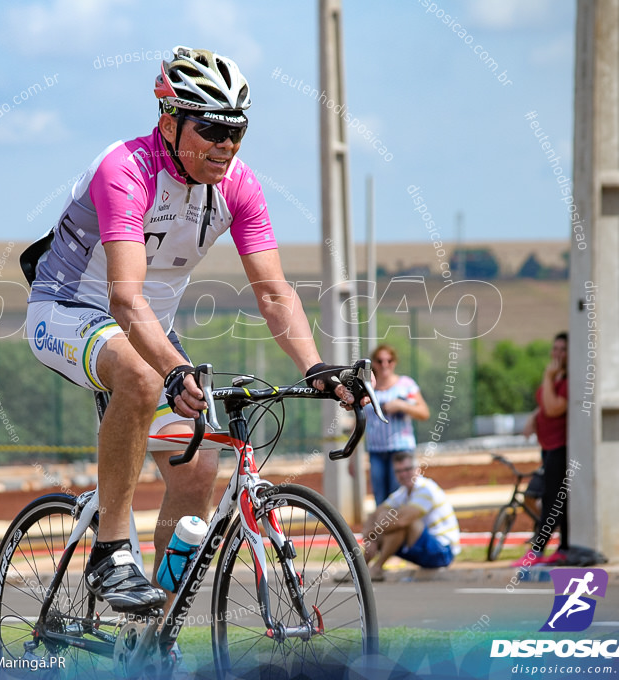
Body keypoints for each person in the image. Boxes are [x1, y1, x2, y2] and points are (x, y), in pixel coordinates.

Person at [21, 46, 365, 613]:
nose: (225, 145)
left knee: (200, 466)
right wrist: (172, 367)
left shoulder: (239, 186)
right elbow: (124, 298)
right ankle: (110, 553)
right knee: (136, 374)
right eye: (211, 130)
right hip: (68, 309)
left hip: (148, 329)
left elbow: (274, 292)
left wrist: (316, 366)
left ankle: (156, 626)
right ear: (169, 121)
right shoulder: (126, 171)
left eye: (237, 133)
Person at [513, 332, 569, 568]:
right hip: (548, 447)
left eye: (562, 350)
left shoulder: (567, 381)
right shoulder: (557, 378)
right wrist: (533, 417)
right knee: (559, 500)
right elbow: (544, 405)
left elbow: (555, 408)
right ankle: (563, 548)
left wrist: (548, 377)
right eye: (554, 349)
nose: (556, 354)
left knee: (552, 499)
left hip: (561, 447)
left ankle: (538, 550)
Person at [351, 344, 430, 506]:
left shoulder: (405, 384)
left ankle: (401, 530)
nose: (385, 364)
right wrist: (351, 457)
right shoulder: (367, 388)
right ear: (373, 363)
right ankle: (385, 531)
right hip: (377, 452)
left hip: (401, 450)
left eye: (389, 360)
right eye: (380, 361)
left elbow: (424, 413)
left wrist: (402, 406)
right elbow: (358, 423)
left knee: (400, 497)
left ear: (394, 362)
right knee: (381, 500)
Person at [363, 451, 461, 580]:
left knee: (400, 522)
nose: (403, 474)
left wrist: (371, 533)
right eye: (399, 471)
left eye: (408, 469)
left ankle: (376, 567)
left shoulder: (426, 489)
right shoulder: (403, 492)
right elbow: (374, 514)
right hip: (423, 548)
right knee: (384, 515)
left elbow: (402, 521)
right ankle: (362, 569)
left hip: (443, 552)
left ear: (418, 470)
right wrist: (371, 538)